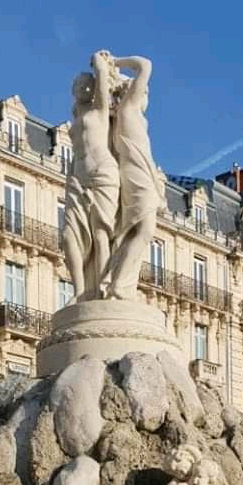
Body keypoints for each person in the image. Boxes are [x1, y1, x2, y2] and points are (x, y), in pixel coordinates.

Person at [62, 51, 120, 301]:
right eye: (79, 84)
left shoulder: (99, 110)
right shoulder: (77, 116)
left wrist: (99, 63)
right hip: (78, 178)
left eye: (88, 84)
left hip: (103, 172)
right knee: (69, 236)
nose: (83, 87)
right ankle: (78, 292)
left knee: (100, 234)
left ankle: (103, 290)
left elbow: (103, 77)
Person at [105, 56, 163, 300]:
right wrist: (115, 62)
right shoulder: (128, 110)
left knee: (133, 231)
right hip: (136, 175)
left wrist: (158, 186)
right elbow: (145, 65)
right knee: (145, 229)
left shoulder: (132, 116)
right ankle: (119, 284)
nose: (145, 94)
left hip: (141, 173)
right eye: (143, 90)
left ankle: (119, 282)